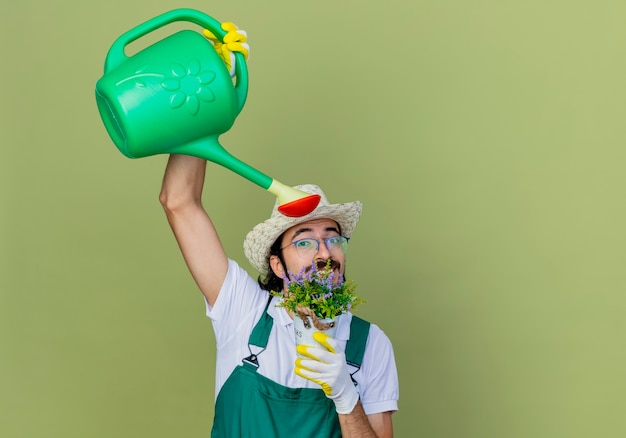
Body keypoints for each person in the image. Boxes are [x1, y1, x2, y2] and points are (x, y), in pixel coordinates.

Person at [159, 154, 399, 437]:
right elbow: (178, 202)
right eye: (305, 242)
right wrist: (194, 122)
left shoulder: (370, 344)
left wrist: (347, 398)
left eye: (333, 239)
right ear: (277, 265)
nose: (324, 252)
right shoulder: (243, 311)